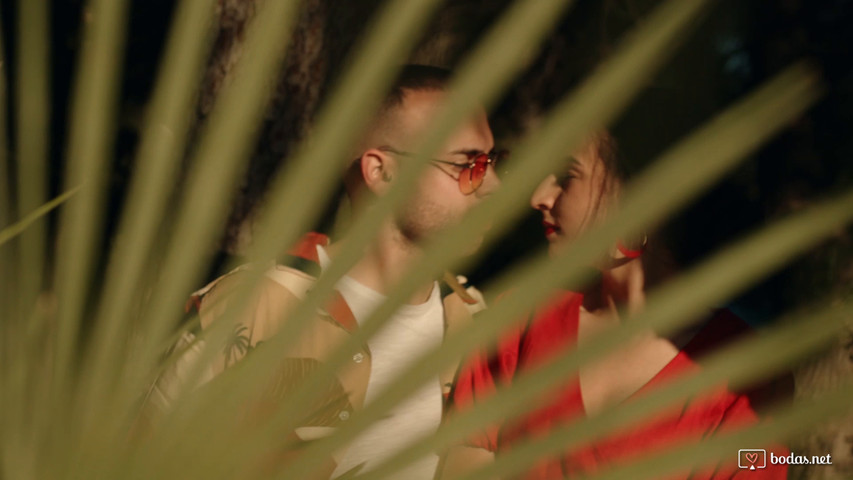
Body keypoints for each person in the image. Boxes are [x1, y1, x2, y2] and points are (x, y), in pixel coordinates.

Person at [142, 65, 498, 479]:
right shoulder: (255, 306)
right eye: (467, 164)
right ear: (382, 173)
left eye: (492, 161)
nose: (492, 186)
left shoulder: (475, 319)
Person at [441, 132, 791, 479]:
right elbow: (465, 449)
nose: (539, 197)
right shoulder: (522, 314)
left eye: (566, 175)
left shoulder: (749, 379)